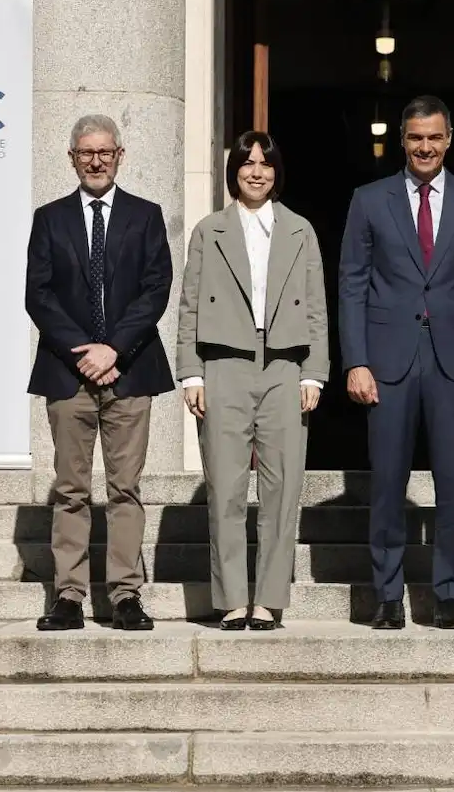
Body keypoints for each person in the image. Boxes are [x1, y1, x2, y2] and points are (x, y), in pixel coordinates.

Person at [338, 95, 454, 629]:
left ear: (449, 139)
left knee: (453, 481)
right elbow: (351, 285)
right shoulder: (369, 199)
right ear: (402, 141)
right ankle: (388, 595)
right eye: (415, 138)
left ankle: (448, 595)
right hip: (386, 361)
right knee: (388, 481)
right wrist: (355, 361)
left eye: (434, 137)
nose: (425, 147)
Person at [26, 114, 175, 631]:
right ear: (72, 158)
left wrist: (112, 348)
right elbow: (38, 295)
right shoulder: (49, 218)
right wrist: (81, 350)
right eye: (86, 153)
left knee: (124, 488)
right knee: (70, 489)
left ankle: (125, 595)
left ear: (119, 156)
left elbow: (156, 289)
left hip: (130, 372)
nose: (95, 161)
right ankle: (68, 596)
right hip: (68, 376)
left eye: (104, 152)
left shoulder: (146, 215)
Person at [176, 131, 329, 630]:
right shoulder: (209, 230)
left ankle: (268, 599)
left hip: (285, 365)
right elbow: (190, 304)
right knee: (225, 487)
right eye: (247, 163)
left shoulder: (300, 230)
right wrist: (191, 372)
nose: (256, 171)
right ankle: (232, 599)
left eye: (265, 163)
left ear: (277, 171)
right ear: (234, 171)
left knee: (282, 488)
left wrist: (315, 373)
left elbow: (317, 310)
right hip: (223, 364)